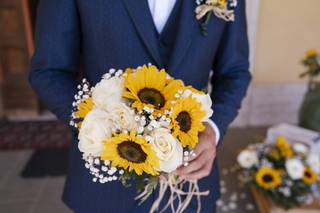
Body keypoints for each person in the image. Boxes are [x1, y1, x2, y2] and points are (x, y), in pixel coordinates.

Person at [29, 0, 251, 212]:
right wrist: (101, 128)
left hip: (191, 189)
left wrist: (213, 129)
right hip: (104, 194)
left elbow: (235, 72)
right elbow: (49, 72)